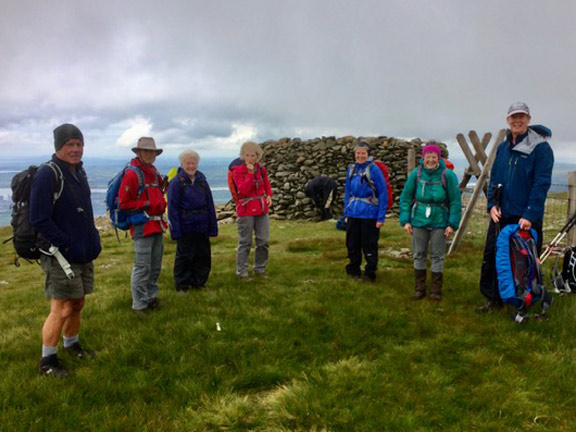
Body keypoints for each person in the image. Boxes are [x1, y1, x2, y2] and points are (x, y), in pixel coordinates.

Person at [30, 123, 102, 377]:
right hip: (60, 254)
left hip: (82, 252)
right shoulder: (48, 174)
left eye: (79, 144)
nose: (75, 149)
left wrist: (92, 239)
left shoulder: (77, 172)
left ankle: (72, 345)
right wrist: (65, 242)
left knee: (78, 302)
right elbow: (38, 217)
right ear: (58, 147)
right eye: (70, 144)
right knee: (60, 308)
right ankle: (47, 361)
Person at [476, 102, 554, 313]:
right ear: (507, 120)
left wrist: (530, 213)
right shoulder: (503, 148)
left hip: (525, 217)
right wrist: (492, 205)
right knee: (493, 256)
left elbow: (541, 184)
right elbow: (494, 180)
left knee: (525, 260)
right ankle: (492, 299)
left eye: (521, 116)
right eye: (513, 117)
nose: (517, 121)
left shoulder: (541, 148)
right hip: (501, 214)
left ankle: (524, 300)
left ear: (529, 119)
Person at [399, 144, 461, 301]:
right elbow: (406, 198)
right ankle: (419, 289)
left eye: (434, 157)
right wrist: (406, 221)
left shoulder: (448, 175)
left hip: (440, 220)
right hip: (418, 219)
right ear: (423, 158)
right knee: (418, 254)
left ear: (439, 158)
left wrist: (452, 224)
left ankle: (435, 291)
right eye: (428, 157)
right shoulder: (416, 174)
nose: (431, 160)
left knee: (437, 255)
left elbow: (455, 202)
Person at [118, 137, 168, 314]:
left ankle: (150, 298)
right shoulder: (132, 175)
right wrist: (144, 204)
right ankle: (139, 304)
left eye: (152, 152)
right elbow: (123, 203)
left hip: (156, 225)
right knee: (142, 266)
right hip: (142, 226)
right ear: (138, 153)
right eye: (145, 151)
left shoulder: (153, 173)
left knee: (154, 266)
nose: (149, 154)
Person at [167, 150, 218, 292]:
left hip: (202, 223)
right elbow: (172, 208)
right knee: (184, 256)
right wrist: (175, 231)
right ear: (182, 164)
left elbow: (209, 204)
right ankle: (182, 285)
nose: (191, 166)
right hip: (185, 225)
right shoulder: (176, 183)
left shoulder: (202, 180)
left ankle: (199, 282)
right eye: (187, 163)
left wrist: (212, 227)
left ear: (197, 164)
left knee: (203, 255)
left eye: (193, 162)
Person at [344, 140, 388, 281]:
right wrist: (346, 212)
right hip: (353, 212)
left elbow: (382, 193)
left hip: (370, 214)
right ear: (355, 154)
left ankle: (370, 272)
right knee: (352, 243)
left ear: (368, 154)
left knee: (369, 244)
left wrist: (380, 217)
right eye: (358, 153)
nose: (360, 156)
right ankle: (354, 269)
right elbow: (347, 192)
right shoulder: (351, 170)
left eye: (363, 153)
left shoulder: (374, 169)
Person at [231, 141, 273, 279]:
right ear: (243, 156)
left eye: (252, 155)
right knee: (245, 242)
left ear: (257, 156)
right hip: (246, 210)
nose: (249, 158)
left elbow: (266, 184)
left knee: (263, 241)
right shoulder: (237, 171)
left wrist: (269, 195)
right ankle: (242, 272)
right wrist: (249, 174)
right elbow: (242, 190)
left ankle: (260, 269)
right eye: (247, 155)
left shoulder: (261, 169)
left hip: (261, 209)